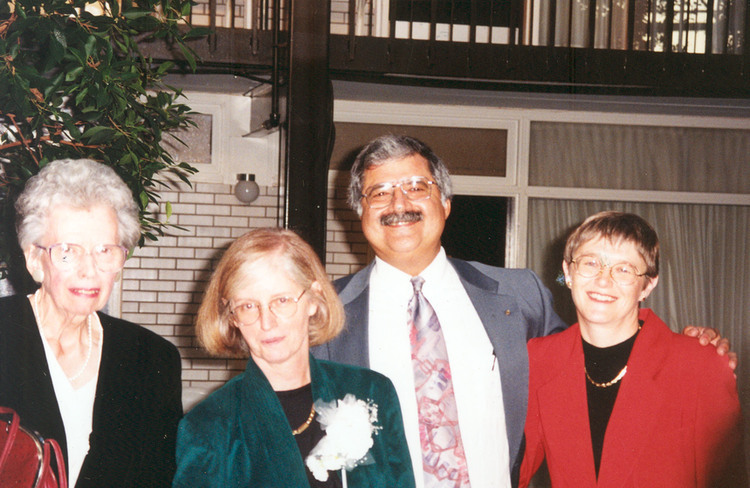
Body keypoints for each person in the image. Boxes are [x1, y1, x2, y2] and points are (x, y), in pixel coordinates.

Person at [311, 134, 736, 488]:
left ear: (446, 202)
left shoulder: (518, 295)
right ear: (360, 212)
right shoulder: (323, 317)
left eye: (416, 187)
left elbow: (592, 354)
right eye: (379, 192)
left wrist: (686, 350)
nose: (398, 203)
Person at [173, 228, 415, 488]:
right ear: (232, 317)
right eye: (248, 306)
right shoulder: (208, 424)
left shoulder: (371, 391)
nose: (266, 323)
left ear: (313, 299)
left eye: (282, 301)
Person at [520, 211, 745, 487]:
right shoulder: (541, 359)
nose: (603, 280)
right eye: (590, 263)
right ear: (568, 272)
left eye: (623, 269)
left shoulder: (699, 365)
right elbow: (509, 470)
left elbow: (727, 480)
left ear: (648, 285)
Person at [0, 158, 182, 487]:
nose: (89, 270)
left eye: (104, 250)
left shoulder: (152, 358)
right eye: (68, 251)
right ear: (35, 259)